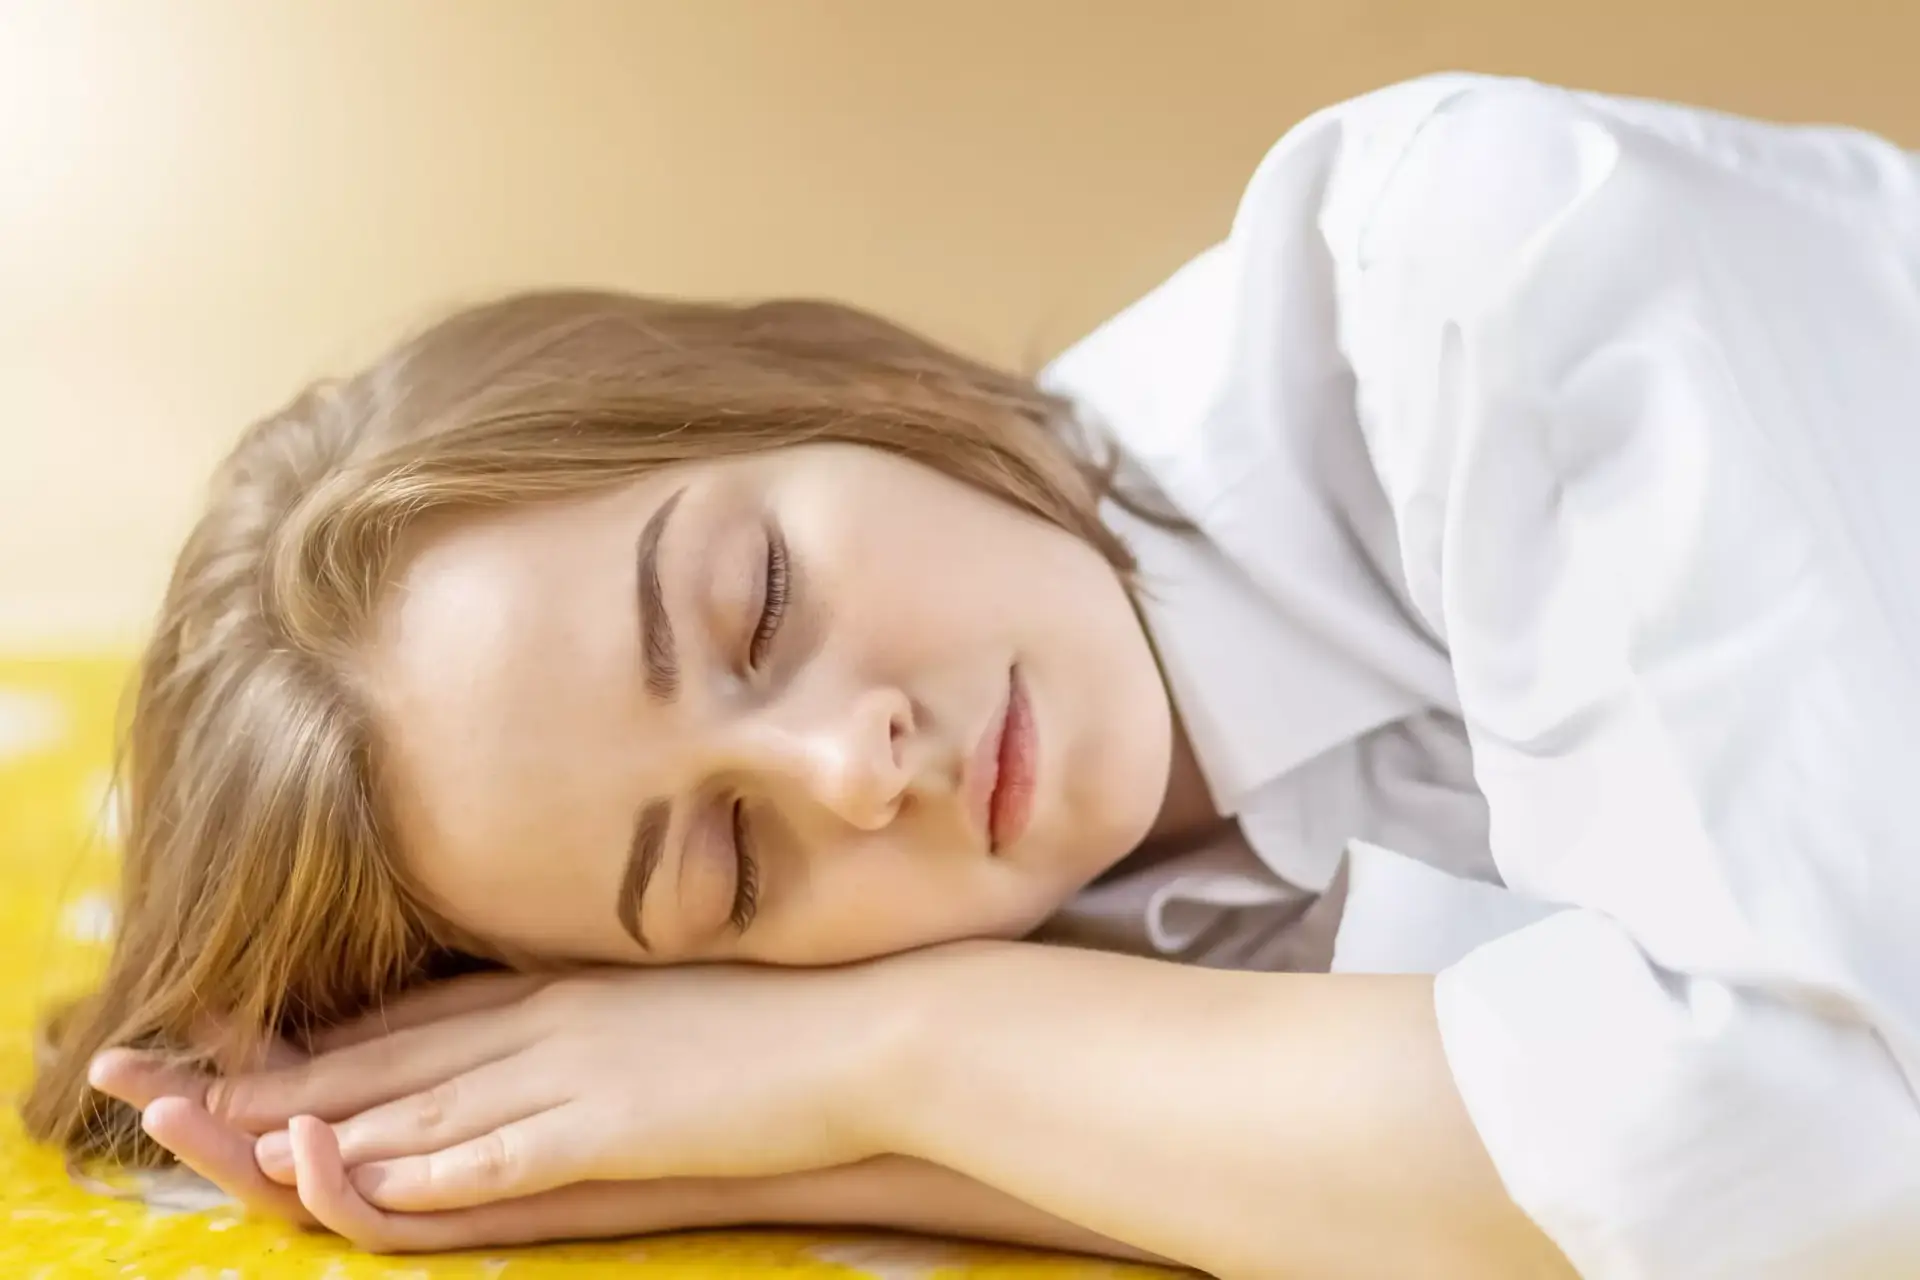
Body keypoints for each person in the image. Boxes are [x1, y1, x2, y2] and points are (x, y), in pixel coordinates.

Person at [23, 72, 1920, 1278]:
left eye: (761, 603)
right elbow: (1586, 1205)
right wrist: (822, 1124)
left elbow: (1833, 1153)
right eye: (725, 874)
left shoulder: (1483, 262)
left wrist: (873, 1055)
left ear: (820, 390)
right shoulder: (1052, 939)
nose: (856, 768)